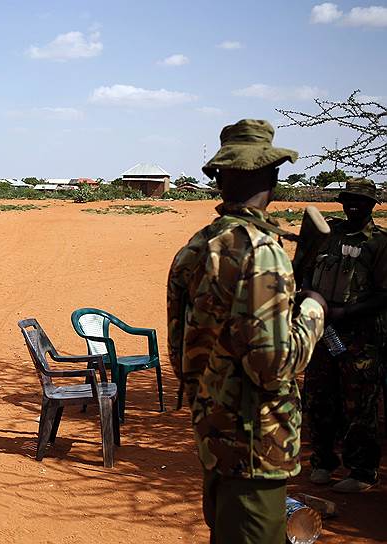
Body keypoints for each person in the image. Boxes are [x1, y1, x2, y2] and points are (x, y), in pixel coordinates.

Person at [167, 119, 326, 543]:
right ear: (273, 176)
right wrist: (313, 310)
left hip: (214, 433)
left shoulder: (197, 245)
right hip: (258, 441)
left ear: (219, 177)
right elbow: (273, 366)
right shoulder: (261, 251)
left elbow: (181, 351)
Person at [302, 177, 387, 493]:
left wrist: (344, 313)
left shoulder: (379, 243)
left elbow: (383, 294)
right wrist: (310, 296)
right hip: (323, 331)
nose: (354, 205)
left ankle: (362, 472)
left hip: (359, 336)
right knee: (318, 398)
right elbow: (306, 270)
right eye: (349, 199)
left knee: (359, 403)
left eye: (361, 201)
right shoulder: (328, 235)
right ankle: (322, 463)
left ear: (371, 205)